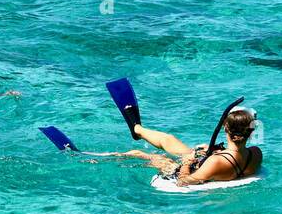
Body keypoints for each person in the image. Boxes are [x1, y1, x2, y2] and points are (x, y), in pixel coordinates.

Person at [104, 79, 261, 185]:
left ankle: (91, 157)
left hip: (180, 169)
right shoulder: (256, 153)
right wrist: (213, 151)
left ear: (225, 128)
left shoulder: (217, 162)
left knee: (137, 153)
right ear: (250, 132)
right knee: (170, 140)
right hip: (212, 162)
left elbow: (183, 181)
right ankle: (137, 129)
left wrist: (187, 162)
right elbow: (234, 156)